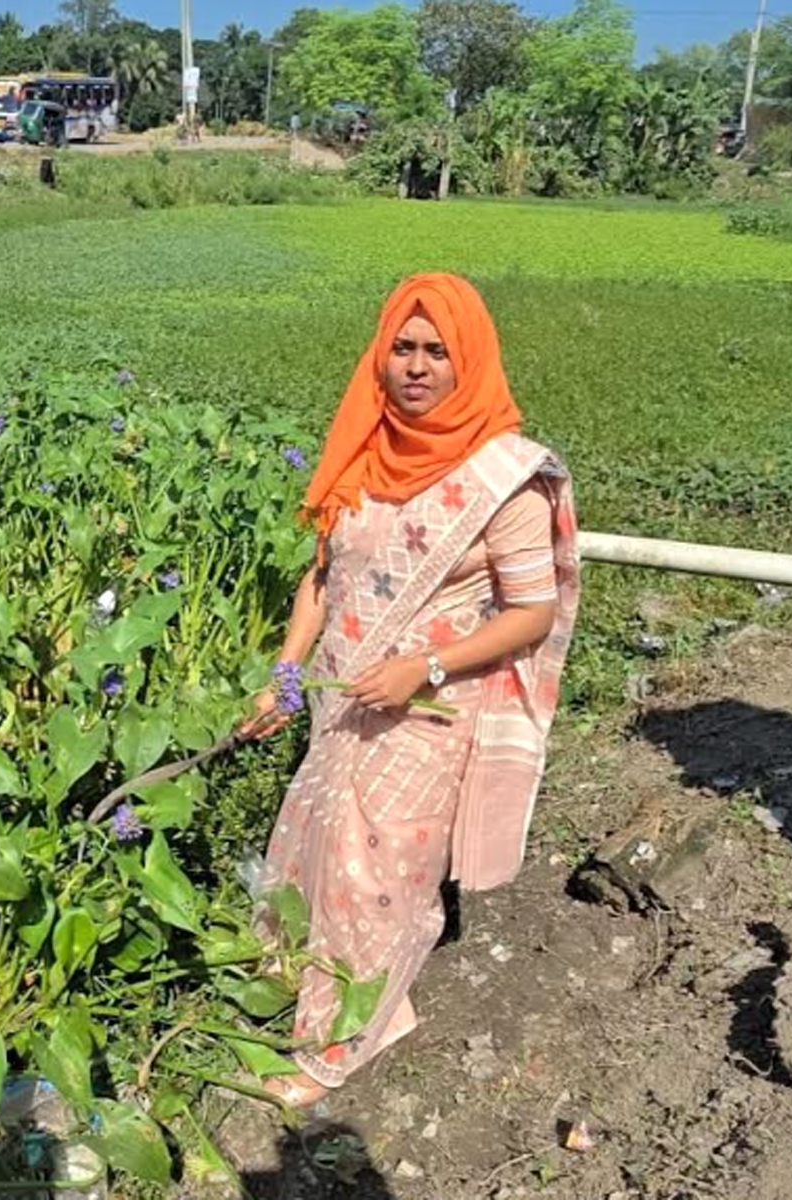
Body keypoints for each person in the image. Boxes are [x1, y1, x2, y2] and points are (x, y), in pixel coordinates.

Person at [238, 273, 579, 1109]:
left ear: (469, 362)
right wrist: (285, 677)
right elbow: (321, 579)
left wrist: (423, 668)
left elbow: (532, 612)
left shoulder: (505, 475)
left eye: (437, 351)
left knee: (376, 871)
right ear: (380, 356)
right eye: (403, 347)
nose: (417, 367)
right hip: (344, 696)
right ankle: (330, 991)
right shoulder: (364, 446)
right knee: (317, 845)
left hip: (431, 705)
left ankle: (336, 1044)